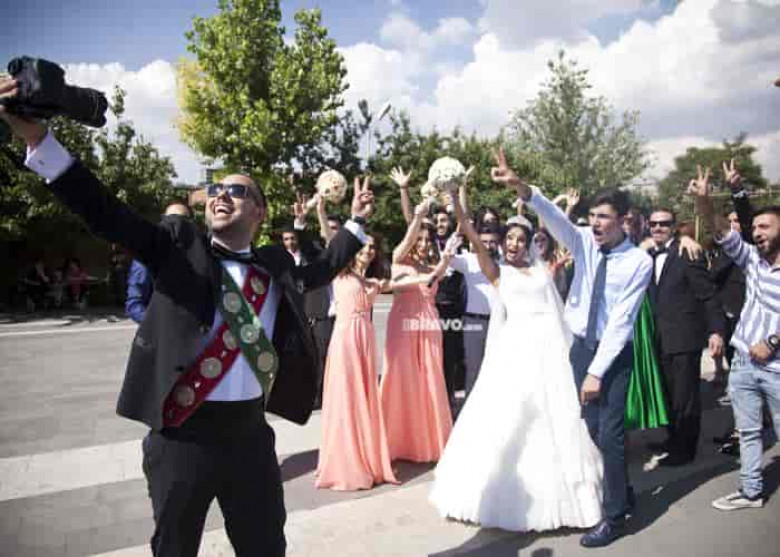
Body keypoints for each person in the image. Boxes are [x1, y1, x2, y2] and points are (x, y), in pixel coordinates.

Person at [0, 84, 375, 557]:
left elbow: (319, 271)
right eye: (216, 189)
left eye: (236, 190)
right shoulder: (179, 250)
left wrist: (356, 223)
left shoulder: (274, 264)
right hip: (181, 438)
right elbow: (107, 213)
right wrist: (40, 141)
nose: (221, 195)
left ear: (259, 211)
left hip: (250, 438)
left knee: (265, 548)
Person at [494, 148, 653, 547]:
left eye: (604, 217)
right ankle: (623, 491)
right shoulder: (583, 242)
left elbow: (621, 322)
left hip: (612, 356)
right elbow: (554, 217)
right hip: (580, 349)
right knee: (593, 428)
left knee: (611, 434)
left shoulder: (638, 262)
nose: (595, 223)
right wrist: (522, 188)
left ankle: (614, 517)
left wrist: (597, 373)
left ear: (623, 220)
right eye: (593, 215)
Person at [429, 174, 604, 533]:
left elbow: (556, 297)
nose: (513, 244)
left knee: (555, 418)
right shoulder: (497, 272)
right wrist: (455, 198)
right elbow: (469, 231)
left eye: (520, 239)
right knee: (510, 418)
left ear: (529, 244)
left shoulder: (542, 271)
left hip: (549, 351)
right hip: (514, 351)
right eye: (509, 238)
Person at [690, 162, 780, 512]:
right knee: (749, 431)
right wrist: (704, 200)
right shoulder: (751, 259)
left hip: (776, 369)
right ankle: (751, 491)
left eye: (764, 226)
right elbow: (720, 230)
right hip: (743, 362)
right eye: (754, 227)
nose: (756, 232)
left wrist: (772, 342)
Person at [315, 235, 399, 490]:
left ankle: (365, 456)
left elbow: (402, 281)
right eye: (364, 245)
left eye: (373, 247)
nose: (369, 250)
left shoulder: (372, 281)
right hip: (345, 339)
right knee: (345, 396)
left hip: (365, 338)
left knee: (363, 396)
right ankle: (345, 462)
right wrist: (320, 214)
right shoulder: (339, 272)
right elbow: (329, 240)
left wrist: (437, 270)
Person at [646, 207, 724, 466]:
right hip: (658, 338)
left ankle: (685, 450)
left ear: (674, 226)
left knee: (685, 397)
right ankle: (673, 440)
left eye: (663, 223)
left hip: (684, 337)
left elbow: (708, 295)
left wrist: (716, 331)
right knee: (667, 394)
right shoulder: (647, 254)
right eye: (653, 224)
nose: (658, 228)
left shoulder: (687, 252)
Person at [380, 199, 453, 463]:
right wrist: (418, 217)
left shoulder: (431, 266)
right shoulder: (400, 258)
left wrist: (446, 258)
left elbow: (438, 274)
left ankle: (429, 441)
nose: (422, 244)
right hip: (403, 323)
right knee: (400, 377)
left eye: (427, 239)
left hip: (429, 324)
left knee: (429, 378)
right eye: (419, 239)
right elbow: (407, 241)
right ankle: (396, 442)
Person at [125, 201, 193, 323]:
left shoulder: (197, 253)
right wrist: (157, 326)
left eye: (183, 220)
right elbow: (134, 304)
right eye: (171, 219)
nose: (177, 225)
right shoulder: (147, 255)